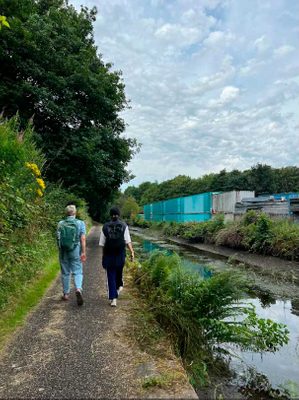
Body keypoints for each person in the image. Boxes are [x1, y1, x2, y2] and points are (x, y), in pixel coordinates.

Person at [99, 207, 134, 307]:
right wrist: (132, 252)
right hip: (120, 255)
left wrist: (103, 256)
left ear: (110, 215)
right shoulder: (124, 225)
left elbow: (102, 243)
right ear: (119, 214)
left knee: (111, 276)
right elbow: (127, 241)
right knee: (119, 273)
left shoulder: (105, 227)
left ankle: (113, 298)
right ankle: (119, 287)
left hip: (109, 255)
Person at [57, 205, 86, 306]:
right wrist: (83, 252)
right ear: (75, 213)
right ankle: (78, 288)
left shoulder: (60, 223)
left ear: (66, 213)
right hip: (75, 250)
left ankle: (66, 294)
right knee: (77, 271)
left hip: (63, 251)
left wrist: (60, 250)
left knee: (65, 272)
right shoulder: (80, 223)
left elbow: (58, 238)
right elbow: (82, 239)